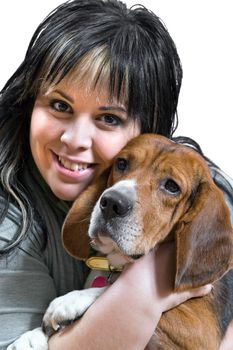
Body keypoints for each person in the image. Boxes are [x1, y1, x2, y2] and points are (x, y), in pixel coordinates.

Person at [0, 0, 232, 349]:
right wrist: (140, 293)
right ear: (29, 103)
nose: (74, 141)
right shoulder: (9, 221)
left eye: (109, 118)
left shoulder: (204, 189)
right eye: (60, 105)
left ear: (148, 129)